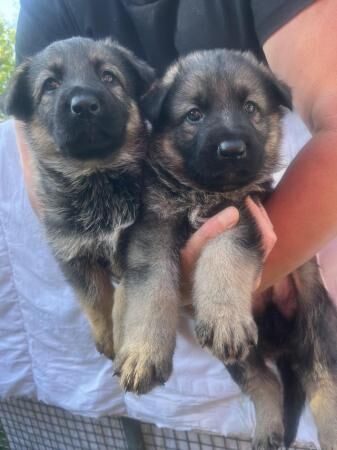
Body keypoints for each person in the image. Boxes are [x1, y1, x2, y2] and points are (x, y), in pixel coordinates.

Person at [13, 0, 337, 311]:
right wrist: (150, 283)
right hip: (151, 273)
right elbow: (45, 172)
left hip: (298, 221)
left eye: (108, 77)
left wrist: (240, 276)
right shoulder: (49, 5)